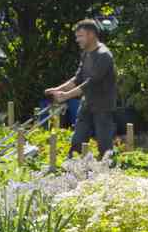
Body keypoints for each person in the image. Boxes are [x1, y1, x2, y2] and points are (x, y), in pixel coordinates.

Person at [45, 19, 117, 159]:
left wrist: (66, 96)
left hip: (103, 105)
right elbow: (78, 78)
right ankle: (72, 165)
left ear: (91, 35)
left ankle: (108, 170)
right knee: (78, 138)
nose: (77, 40)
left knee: (104, 144)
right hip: (87, 103)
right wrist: (57, 89)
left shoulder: (103, 55)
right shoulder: (86, 53)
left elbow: (90, 83)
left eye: (80, 36)